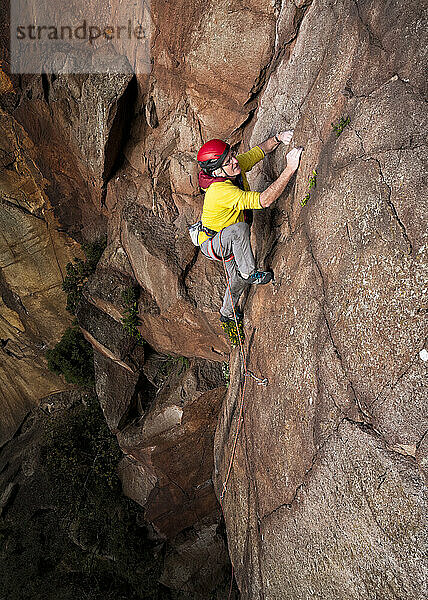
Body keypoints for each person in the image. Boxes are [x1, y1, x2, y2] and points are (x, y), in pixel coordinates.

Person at [196, 132, 303, 323]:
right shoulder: (220, 191)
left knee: (236, 280)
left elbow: (258, 151)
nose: (235, 161)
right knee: (240, 230)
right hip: (215, 242)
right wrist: (290, 169)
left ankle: (226, 312)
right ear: (217, 172)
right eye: (228, 161)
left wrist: (278, 138)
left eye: (232, 155)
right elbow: (264, 200)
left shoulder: (231, 169)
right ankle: (250, 273)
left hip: (225, 239)